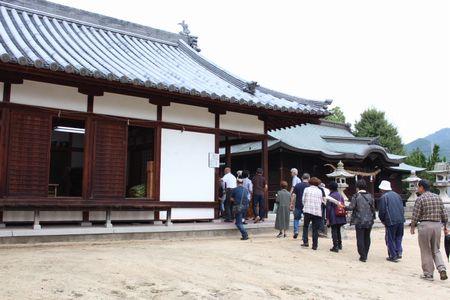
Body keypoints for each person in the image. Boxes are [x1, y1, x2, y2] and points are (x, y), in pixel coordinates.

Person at [410, 179, 448, 281]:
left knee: (426, 250)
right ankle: (442, 268)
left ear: (422, 187)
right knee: (436, 249)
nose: (418, 189)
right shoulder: (437, 197)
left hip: (425, 226)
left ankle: (428, 274)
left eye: (418, 187)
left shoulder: (420, 199)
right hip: (437, 226)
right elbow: (444, 214)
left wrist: (413, 226)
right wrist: (445, 227)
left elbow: (416, 215)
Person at [346, 179, 375, 262]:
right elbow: (373, 207)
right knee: (367, 237)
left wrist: (344, 207)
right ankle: (365, 253)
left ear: (357, 187)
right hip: (369, 220)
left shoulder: (355, 196)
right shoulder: (370, 196)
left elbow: (351, 207)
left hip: (359, 220)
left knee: (360, 238)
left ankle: (363, 256)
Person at [378, 180, 405, 263]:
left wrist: (382, 220)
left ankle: (393, 255)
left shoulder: (384, 197)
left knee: (390, 238)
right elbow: (402, 208)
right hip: (401, 220)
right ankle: (399, 251)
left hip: (391, 220)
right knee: (398, 237)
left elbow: (382, 211)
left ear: (382, 189)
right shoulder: (398, 195)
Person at [301, 177, 325, 250]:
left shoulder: (306, 189)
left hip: (308, 210)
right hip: (317, 211)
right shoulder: (320, 191)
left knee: (305, 226)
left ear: (310, 182)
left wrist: (305, 205)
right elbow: (322, 201)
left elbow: (303, 200)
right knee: (315, 229)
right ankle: (315, 245)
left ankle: (305, 242)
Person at [326, 181, 347, 252]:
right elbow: (343, 205)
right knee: (338, 230)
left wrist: (327, 218)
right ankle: (340, 244)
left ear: (330, 188)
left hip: (333, 215)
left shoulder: (330, 196)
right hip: (340, 214)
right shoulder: (340, 195)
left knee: (334, 230)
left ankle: (335, 246)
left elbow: (328, 208)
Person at [290, 173, 310, 239]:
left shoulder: (297, 185)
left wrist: (291, 203)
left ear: (302, 178)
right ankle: (305, 235)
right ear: (309, 178)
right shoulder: (309, 186)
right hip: (307, 205)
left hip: (298, 204)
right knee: (306, 220)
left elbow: (293, 195)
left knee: (296, 219)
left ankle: (296, 231)